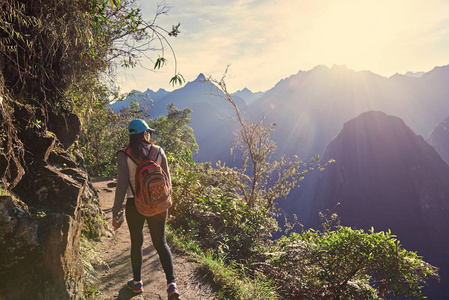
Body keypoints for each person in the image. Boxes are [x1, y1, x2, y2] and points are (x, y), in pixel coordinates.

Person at [112, 119, 180, 299]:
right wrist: (165, 201)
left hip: (135, 204)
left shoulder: (124, 155)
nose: (149, 134)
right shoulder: (158, 151)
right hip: (158, 203)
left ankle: (137, 283)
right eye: (148, 132)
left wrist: (116, 211)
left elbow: (121, 186)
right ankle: (172, 285)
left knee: (137, 242)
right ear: (144, 134)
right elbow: (168, 181)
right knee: (161, 242)